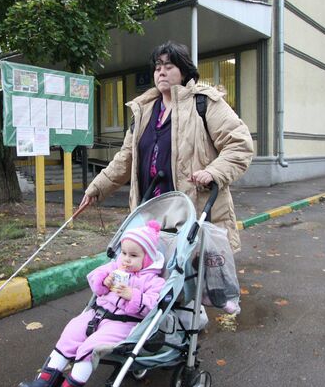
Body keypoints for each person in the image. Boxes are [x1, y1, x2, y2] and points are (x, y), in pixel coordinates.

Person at [78, 41, 253, 252]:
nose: (162, 72)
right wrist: (97, 188)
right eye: (158, 67)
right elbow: (125, 158)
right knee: (152, 278)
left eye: (169, 66)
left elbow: (239, 144)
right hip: (150, 215)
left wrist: (213, 172)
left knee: (191, 279)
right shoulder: (144, 111)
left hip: (192, 213)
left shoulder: (204, 103)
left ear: (184, 71)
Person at [19, 221, 166, 387]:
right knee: (71, 333)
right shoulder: (114, 267)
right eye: (124, 253)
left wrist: (133, 295)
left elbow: (154, 306)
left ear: (147, 259)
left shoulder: (153, 280)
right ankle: (43, 382)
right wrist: (104, 281)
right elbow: (96, 283)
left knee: (91, 347)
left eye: (134, 255)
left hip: (124, 324)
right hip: (97, 314)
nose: (126, 259)